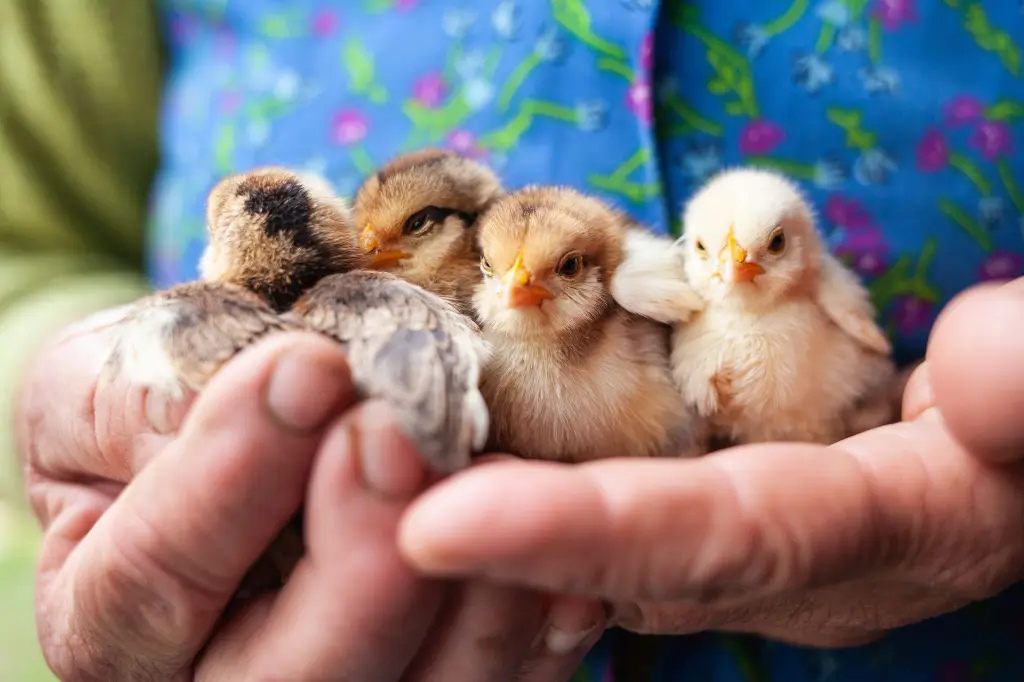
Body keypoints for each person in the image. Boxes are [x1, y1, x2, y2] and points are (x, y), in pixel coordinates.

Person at [4, 1, 1023, 680]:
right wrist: (91, 411)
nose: (372, 254)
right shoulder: (404, 300)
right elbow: (24, 238)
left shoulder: (655, 298)